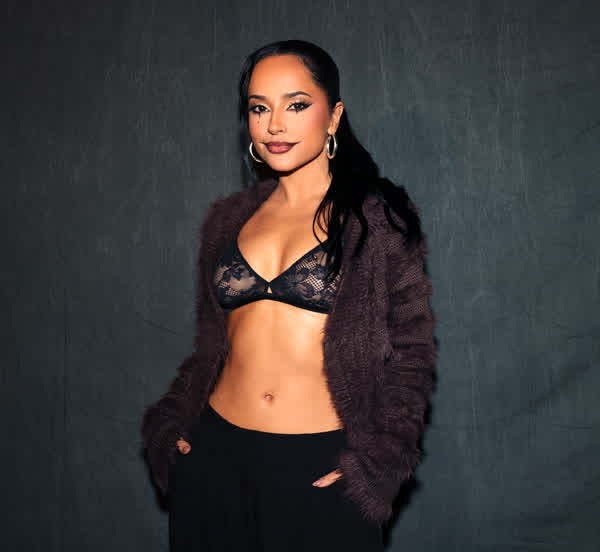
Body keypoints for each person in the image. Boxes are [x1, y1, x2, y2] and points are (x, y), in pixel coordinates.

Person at [140, 39, 437, 551]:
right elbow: (211, 347)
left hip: (319, 469)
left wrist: (379, 464)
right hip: (213, 460)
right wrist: (169, 425)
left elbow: (413, 356)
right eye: (260, 108)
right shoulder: (226, 221)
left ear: (334, 115)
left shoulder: (376, 221)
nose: (274, 124)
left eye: (296, 105)